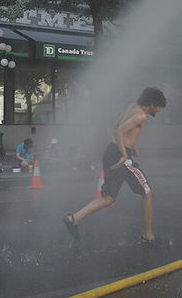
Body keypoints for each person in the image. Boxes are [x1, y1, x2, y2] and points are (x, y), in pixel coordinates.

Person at [63, 87, 167, 246]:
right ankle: (148, 236)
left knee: (109, 198)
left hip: (110, 152)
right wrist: (125, 154)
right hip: (120, 156)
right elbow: (119, 130)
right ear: (151, 104)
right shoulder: (140, 115)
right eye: (159, 106)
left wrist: (132, 145)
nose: (159, 110)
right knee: (148, 192)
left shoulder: (131, 108)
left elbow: (116, 126)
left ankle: (73, 218)